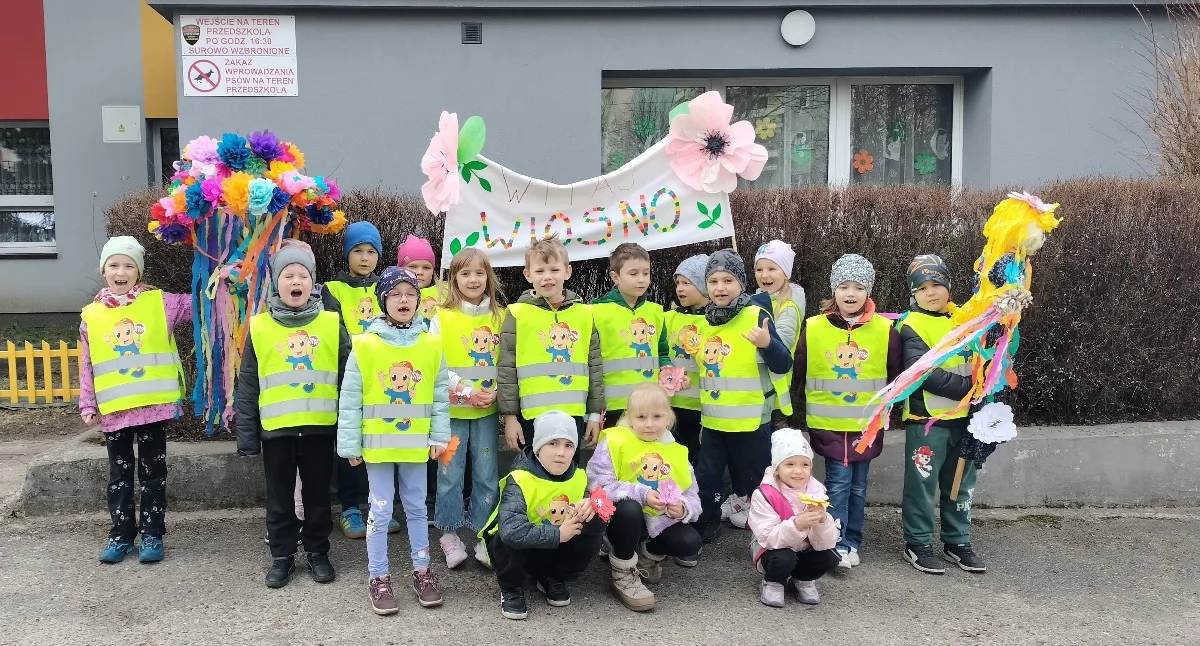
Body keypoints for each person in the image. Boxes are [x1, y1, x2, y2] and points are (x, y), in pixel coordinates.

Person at [337, 266, 451, 615]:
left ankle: (422, 571)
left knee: (417, 508)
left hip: (417, 445)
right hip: (378, 446)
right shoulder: (366, 344)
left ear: (419, 299)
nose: (404, 300)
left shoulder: (432, 342)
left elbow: (440, 392)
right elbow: (351, 397)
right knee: (381, 509)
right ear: (382, 300)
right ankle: (379, 576)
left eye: (411, 294)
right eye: (396, 294)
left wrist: (439, 436)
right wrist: (350, 445)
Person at [235, 241, 350, 588]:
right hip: (277, 433)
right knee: (280, 498)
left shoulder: (331, 324)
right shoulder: (260, 327)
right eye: (288, 274)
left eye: (303, 274)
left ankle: (317, 551)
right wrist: (247, 435)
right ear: (276, 282)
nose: (295, 280)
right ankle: (282, 555)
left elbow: (349, 379)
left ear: (312, 282)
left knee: (317, 495)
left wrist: (350, 430)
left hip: (319, 429)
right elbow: (248, 384)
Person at [80, 236, 190, 564]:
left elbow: (197, 302)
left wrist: (221, 281)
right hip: (116, 413)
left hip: (152, 409)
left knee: (153, 474)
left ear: (138, 272)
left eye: (129, 265)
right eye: (114, 264)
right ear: (103, 270)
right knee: (120, 475)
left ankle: (153, 535)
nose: (121, 271)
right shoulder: (92, 316)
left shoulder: (159, 304)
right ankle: (121, 535)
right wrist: (88, 403)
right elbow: (88, 363)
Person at [797, 253, 901, 569]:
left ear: (868, 291)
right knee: (839, 484)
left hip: (866, 426)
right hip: (828, 425)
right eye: (844, 286)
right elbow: (797, 370)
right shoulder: (814, 327)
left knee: (858, 486)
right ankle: (836, 543)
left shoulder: (885, 330)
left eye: (858, 286)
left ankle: (852, 541)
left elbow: (896, 376)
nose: (851, 293)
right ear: (834, 290)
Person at [693, 249, 793, 544]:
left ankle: (771, 536)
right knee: (706, 481)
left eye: (727, 280)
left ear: (741, 283)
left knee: (758, 483)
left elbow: (783, 363)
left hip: (752, 423)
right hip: (713, 424)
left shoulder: (756, 315)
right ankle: (704, 525)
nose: (720, 288)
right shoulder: (704, 322)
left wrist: (767, 344)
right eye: (713, 281)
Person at [897, 254, 986, 575]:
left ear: (948, 285)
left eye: (936, 284)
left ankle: (957, 541)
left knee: (960, 483)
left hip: (967, 421)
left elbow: (987, 358)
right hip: (927, 421)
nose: (931, 292)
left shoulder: (969, 319)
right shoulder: (910, 324)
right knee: (923, 483)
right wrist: (971, 387)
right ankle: (918, 543)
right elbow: (922, 372)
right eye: (921, 288)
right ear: (913, 293)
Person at [586, 383, 702, 611]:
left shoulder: (677, 451)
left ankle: (648, 555)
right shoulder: (614, 440)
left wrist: (684, 507)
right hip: (619, 521)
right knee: (630, 508)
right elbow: (598, 486)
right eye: (641, 417)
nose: (649, 424)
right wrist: (642, 493)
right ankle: (623, 571)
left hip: (657, 521)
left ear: (668, 417)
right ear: (629, 417)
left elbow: (693, 495)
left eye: (657, 416)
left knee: (690, 541)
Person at [479, 410, 604, 620]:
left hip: (549, 549)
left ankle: (551, 576)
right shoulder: (520, 478)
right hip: (516, 551)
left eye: (568, 445)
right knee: (507, 537)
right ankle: (511, 588)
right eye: (552, 443)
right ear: (538, 448)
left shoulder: (580, 478)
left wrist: (593, 512)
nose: (561, 453)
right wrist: (558, 535)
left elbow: (599, 528)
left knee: (590, 529)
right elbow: (511, 532)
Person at [321, 221, 402, 540]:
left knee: (379, 442)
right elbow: (337, 335)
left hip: (385, 381)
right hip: (351, 379)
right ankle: (350, 507)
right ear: (347, 254)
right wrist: (362, 359)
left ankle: (378, 504)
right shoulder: (333, 289)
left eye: (371, 251)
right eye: (358, 250)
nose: (365, 257)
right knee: (352, 442)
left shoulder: (389, 284)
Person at [429, 248, 504, 569]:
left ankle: (485, 535)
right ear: (453, 278)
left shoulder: (502, 317)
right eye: (464, 273)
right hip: (451, 417)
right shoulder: (441, 318)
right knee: (449, 476)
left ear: (488, 277)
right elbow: (435, 365)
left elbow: (509, 361)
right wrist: (467, 391)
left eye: (479, 273)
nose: (473, 279)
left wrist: (499, 391)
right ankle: (448, 535)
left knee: (487, 476)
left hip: (487, 414)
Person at [498, 235, 604, 461]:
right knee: (533, 477)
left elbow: (594, 366)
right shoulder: (517, 314)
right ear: (528, 275)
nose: (547, 277)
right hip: (531, 418)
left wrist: (594, 415)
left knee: (568, 474)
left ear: (568, 272)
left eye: (554, 270)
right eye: (539, 271)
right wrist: (510, 418)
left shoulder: (585, 314)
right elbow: (506, 369)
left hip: (573, 415)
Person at [748, 428, 840, 607]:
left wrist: (822, 521)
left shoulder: (817, 492)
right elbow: (768, 538)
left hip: (803, 548)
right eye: (790, 464)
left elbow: (827, 542)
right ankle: (773, 581)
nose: (798, 471)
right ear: (777, 468)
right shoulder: (765, 494)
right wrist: (797, 524)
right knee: (784, 558)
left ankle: (802, 578)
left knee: (831, 557)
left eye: (804, 465)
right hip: (772, 548)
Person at [590, 242, 671, 428]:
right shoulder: (596, 312)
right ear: (615, 277)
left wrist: (669, 371)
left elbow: (663, 353)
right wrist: (593, 413)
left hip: (649, 407)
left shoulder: (657, 312)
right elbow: (591, 363)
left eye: (646, 273)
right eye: (633, 274)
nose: (641, 279)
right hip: (611, 409)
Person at [398, 233, 448, 525]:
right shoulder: (397, 296)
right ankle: (411, 500)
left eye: (426, 267)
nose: (419, 273)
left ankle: (431, 500)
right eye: (412, 266)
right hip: (407, 380)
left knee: (435, 440)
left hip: (435, 373)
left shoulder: (443, 295)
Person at [664, 254, 709, 459]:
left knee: (700, 460)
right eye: (678, 283)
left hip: (702, 408)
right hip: (672, 406)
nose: (680, 288)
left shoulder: (713, 322)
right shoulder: (669, 317)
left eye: (687, 283)